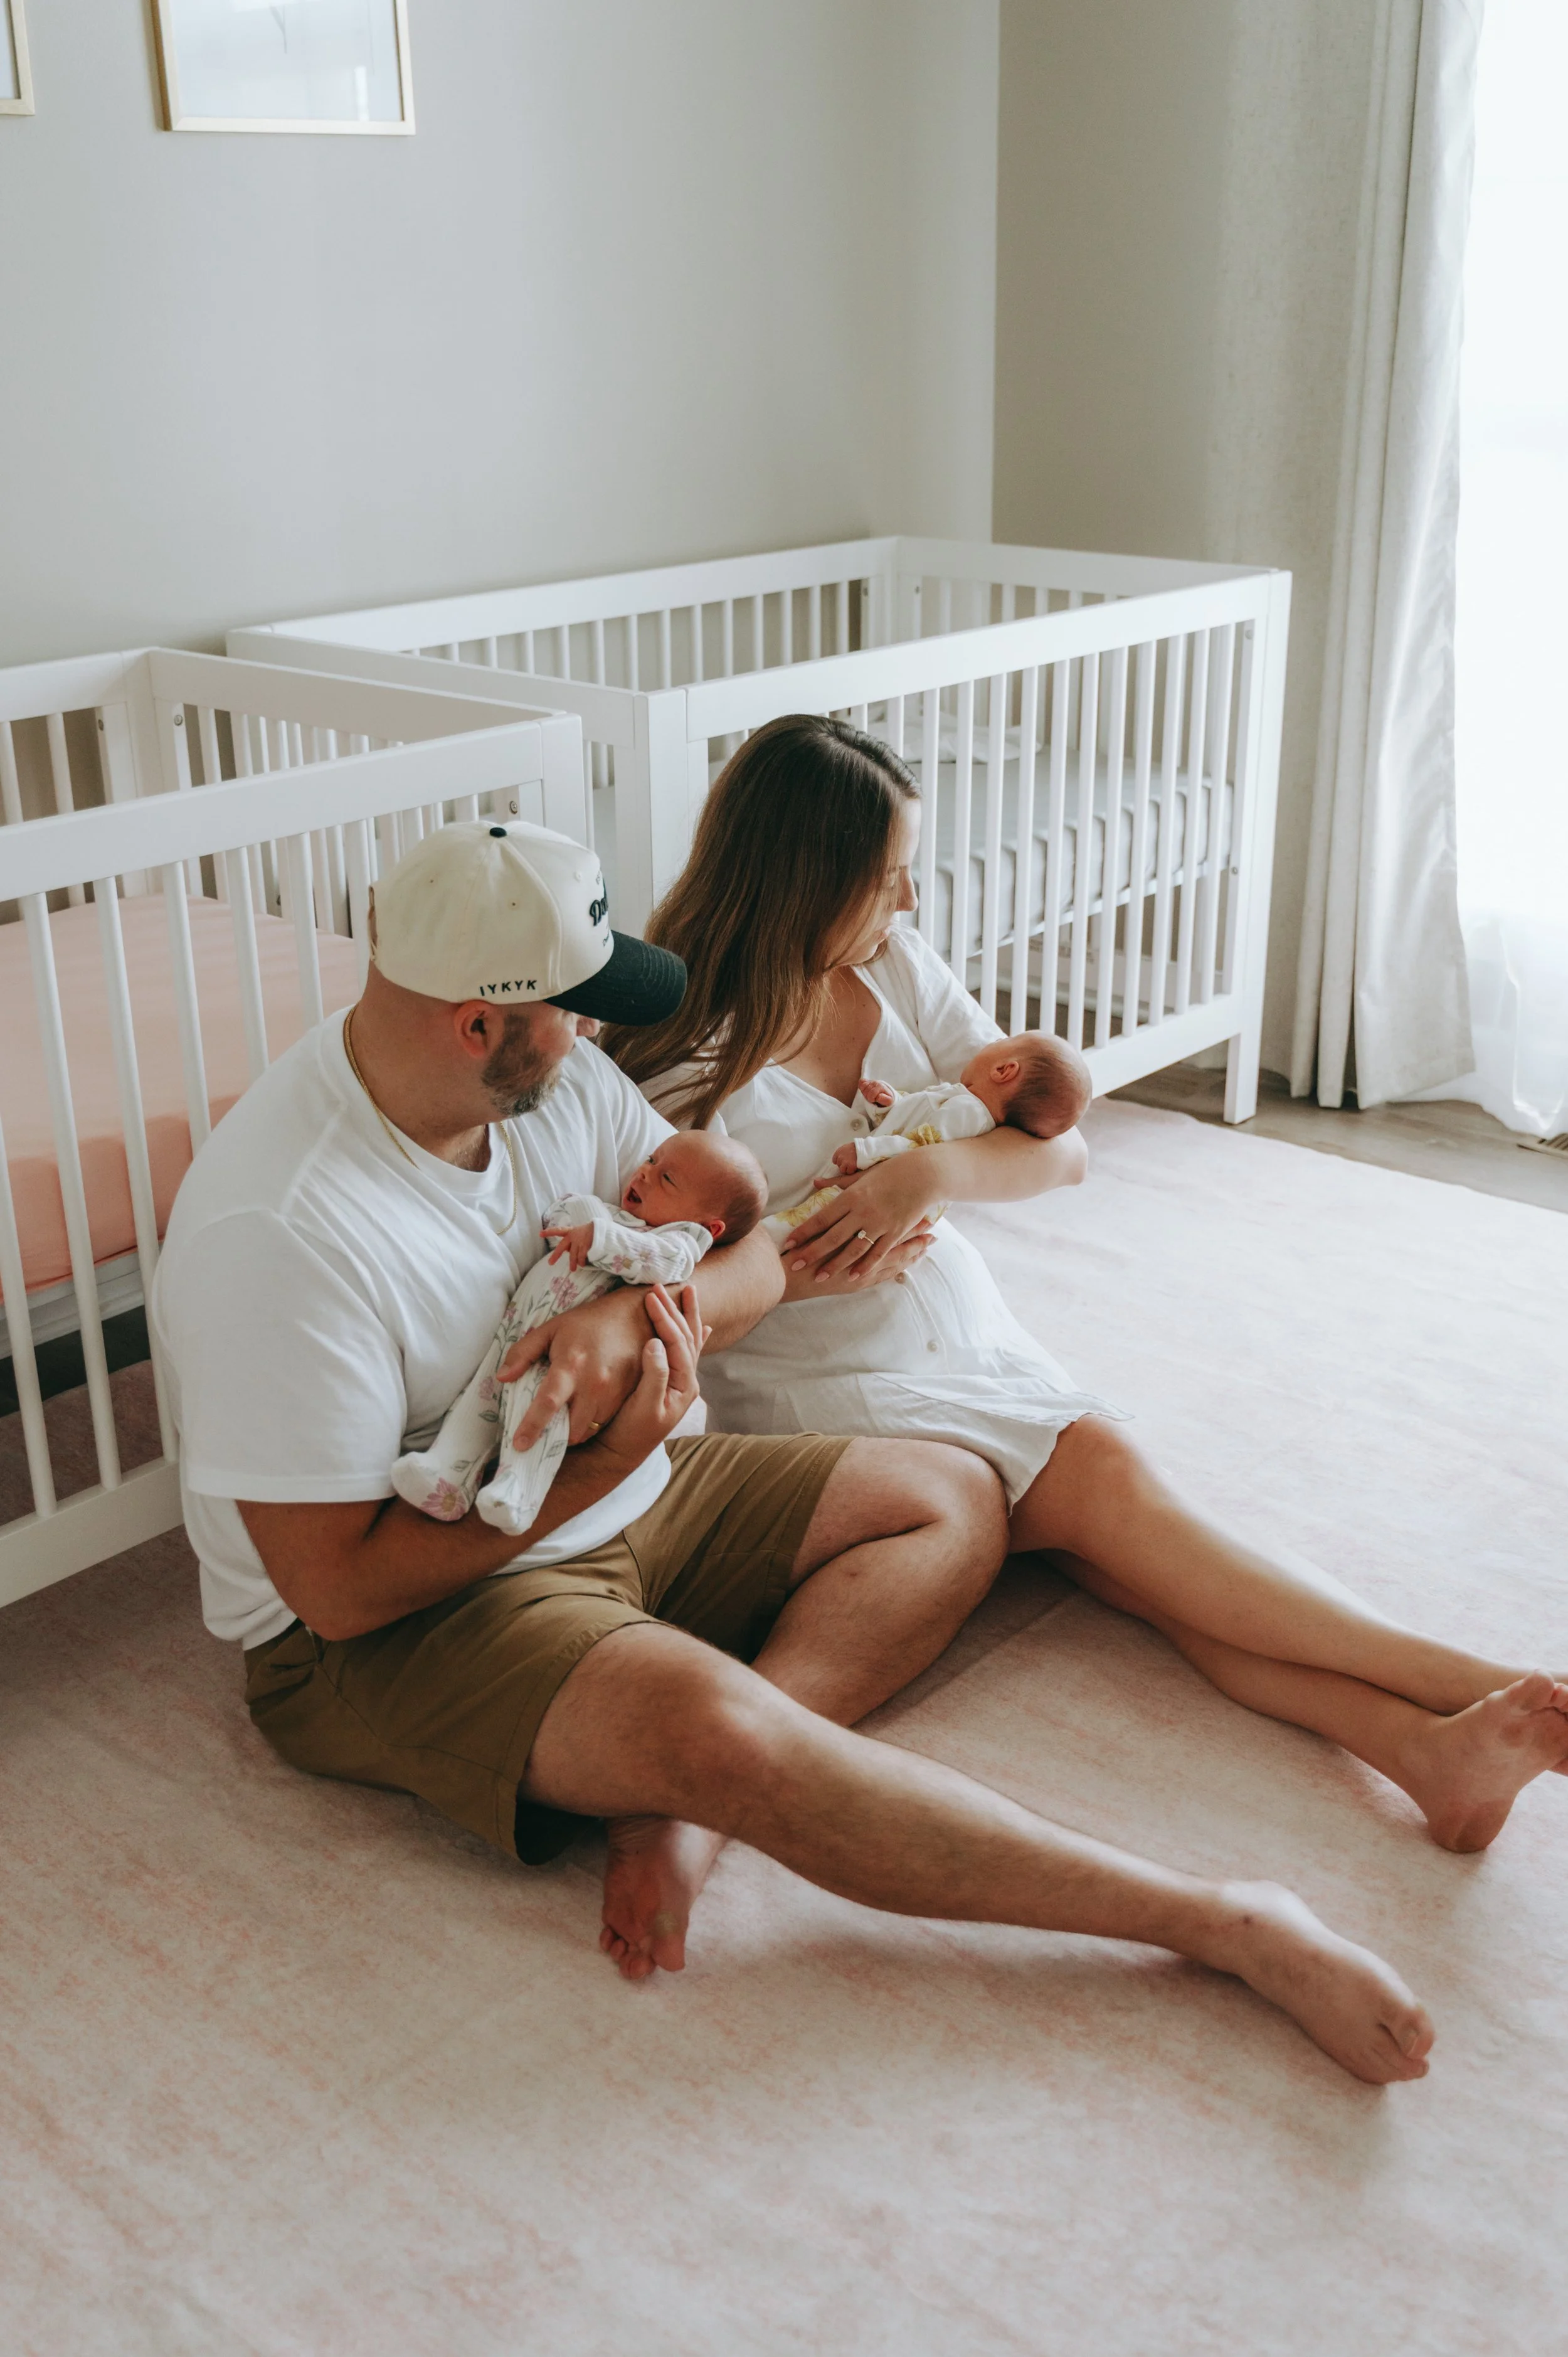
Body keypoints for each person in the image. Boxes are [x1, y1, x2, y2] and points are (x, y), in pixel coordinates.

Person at [151, 812, 1448, 2089]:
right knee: (719, 1727)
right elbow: (332, 1588)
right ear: (477, 1023)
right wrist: (599, 1471)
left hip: (615, 1482)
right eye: (576, 1009)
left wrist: (631, 1314)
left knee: (948, 1494)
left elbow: (741, 1238)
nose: (602, 1033)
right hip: (399, 1605)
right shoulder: (281, 1230)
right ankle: (1221, 1922)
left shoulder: (554, 1083)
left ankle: (680, 1810)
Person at [607, 713, 1568, 1911]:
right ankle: (1475, 1679)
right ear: (804, 875)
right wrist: (811, 1247)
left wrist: (935, 1173)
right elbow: (680, 1308)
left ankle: (1430, 1754)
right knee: (1113, 1485)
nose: (910, 894)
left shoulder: (886, 966)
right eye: (883, 872)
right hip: (824, 1385)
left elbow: (1059, 1151)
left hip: (960, 1334)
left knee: (1139, 1565)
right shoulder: (676, 1060)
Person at [391, 1127, 766, 1528]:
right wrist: (585, 1219)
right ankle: (447, 1475)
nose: (645, 1174)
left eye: (668, 1179)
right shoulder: (608, 1215)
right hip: (520, 1327)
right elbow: (561, 1219)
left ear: (711, 1228)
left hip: (566, 1354)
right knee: (482, 1398)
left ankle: (520, 1489)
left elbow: (662, 1262)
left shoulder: (680, 1240)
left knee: (538, 1406)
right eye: (653, 1160)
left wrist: (600, 1237)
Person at [764, 1031, 1089, 1247]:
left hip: (876, 1190)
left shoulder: (970, 1112)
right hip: (887, 1192)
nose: (988, 1043)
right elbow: (914, 1118)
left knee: (806, 1224)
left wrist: (864, 1151)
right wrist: (888, 1103)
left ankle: (765, 1244)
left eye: (1004, 1041)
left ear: (1004, 1070)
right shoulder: (964, 1104)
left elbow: (918, 1147)